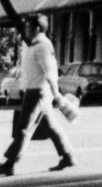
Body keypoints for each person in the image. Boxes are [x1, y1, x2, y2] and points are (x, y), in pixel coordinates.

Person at [2, 14, 74, 175]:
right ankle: (68, 156)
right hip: (34, 91)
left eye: (28, 27)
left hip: (38, 92)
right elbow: (32, 69)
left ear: (37, 28)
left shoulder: (42, 46)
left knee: (24, 128)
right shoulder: (34, 45)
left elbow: (49, 72)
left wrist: (56, 94)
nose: (26, 30)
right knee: (51, 127)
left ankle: (10, 163)